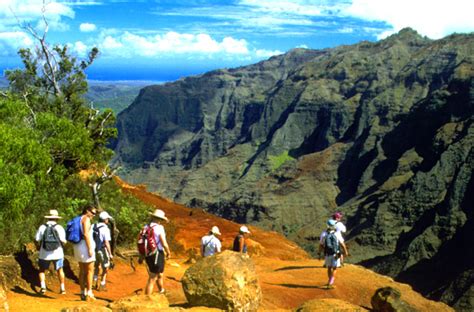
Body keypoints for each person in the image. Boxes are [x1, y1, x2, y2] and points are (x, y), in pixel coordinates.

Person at [35, 209, 67, 295]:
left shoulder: (42, 227)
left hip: (44, 253)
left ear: (48, 218)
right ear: (57, 218)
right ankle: (62, 288)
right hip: (58, 253)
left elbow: (37, 239)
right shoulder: (59, 227)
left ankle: (43, 287)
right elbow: (63, 241)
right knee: (60, 270)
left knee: (42, 270)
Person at [73, 204, 97, 301]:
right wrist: (90, 248)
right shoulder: (86, 219)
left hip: (77, 246)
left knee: (82, 270)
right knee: (90, 270)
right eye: (93, 213)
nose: (94, 215)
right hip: (85, 246)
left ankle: (82, 292)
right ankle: (89, 293)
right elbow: (86, 234)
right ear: (87, 211)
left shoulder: (78, 218)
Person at [144, 209, 171, 295]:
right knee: (152, 278)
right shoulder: (160, 228)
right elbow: (164, 243)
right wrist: (168, 252)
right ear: (160, 219)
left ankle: (161, 290)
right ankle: (146, 299)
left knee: (159, 274)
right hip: (157, 254)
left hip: (148, 253)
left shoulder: (146, 227)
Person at [320, 219, 348, 289]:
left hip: (327, 254)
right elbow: (342, 244)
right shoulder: (337, 234)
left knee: (329, 268)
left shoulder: (324, 234)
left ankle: (329, 281)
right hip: (336, 254)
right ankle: (331, 282)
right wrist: (345, 251)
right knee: (335, 268)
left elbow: (321, 244)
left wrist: (319, 252)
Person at [93, 211, 114, 292]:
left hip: (93, 249)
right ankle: (102, 284)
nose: (108, 220)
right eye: (107, 219)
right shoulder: (105, 228)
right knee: (106, 267)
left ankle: (94, 281)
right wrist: (110, 254)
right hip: (102, 249)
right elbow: (107, 242)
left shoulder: (93, 226)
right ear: (105, 220)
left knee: (96, 266)